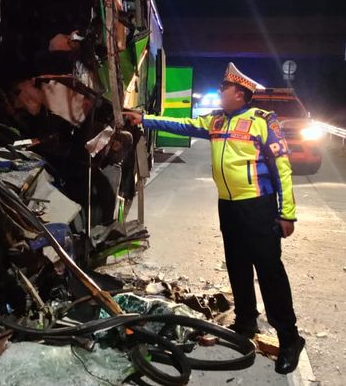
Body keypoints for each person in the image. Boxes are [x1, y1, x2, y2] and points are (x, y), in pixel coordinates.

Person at [124, 62, 304, 375]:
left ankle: (289, 338)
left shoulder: (263, 121)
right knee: (237, 264)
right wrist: (145, 119)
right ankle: (245, 323)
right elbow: (183, 125)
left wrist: (287, 212)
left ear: (240, 94)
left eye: (224, 89)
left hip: (259, 207)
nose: (220, 93)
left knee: (269, 271)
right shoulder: (216, 121)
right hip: (229, 206)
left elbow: (282, 168)